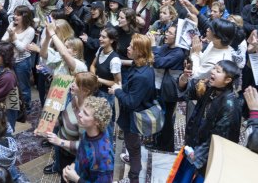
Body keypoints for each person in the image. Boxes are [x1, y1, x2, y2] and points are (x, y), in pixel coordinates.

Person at [178, 60, 242, 175]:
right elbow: (187, 95)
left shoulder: (230, 105)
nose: (212, 72)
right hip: (194, 147)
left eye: (218, 71)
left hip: (205, 157)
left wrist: (199, 155)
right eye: (214, 68)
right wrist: (184, 78)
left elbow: (219, 138)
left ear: (228, 80)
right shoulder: (211, 88)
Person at [110, 33, 155, 183]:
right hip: (131, 116)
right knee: (133, 146)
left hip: (134, 120)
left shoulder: (142, 76)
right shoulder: (142, 64)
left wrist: (117, 90)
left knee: (134, 148)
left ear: (140, 51)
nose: (127, 48)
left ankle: (133, 177)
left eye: (131, 47)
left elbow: (130, 102)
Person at [42, 72, 101, 175]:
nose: (72, 84)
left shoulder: (86, 115)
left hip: (73, 157)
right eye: (73, 81)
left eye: (76, 84)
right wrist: (56, 122)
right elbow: (66, 117)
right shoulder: (75, 98)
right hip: (61, 149)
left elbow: (85, 145)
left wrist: (59, 141)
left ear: (85, 91)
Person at [61, 96, 114, 183]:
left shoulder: (102, 156)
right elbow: (81, 154)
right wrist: (73, 166)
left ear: (97, 122)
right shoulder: (88, 132)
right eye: (82, 110)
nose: (79, 114)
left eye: (85, 113)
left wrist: (76, 179)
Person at [151, 25, 185, 152]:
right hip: (159, 87)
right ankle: (157, 142)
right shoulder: (166, 47)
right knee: (158, 116)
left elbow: (158, 62)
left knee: (166, 119)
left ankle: (166, 147)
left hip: (168, 91)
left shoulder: (178, 53)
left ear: (177, 37)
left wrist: (153, 46)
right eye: (166, 32)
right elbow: (154, 58)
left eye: (170, 33)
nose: (166, 34)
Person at [1, 5, 35, 116]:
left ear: (25, 17)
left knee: (23, 87)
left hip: (22, 62)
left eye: (18, 15)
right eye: (15, 14)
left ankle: (26, 110)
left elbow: (21, 49)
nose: (15, 17)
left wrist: (13, 37)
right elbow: (3, 41)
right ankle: (13, 110)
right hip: (10, 61)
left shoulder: (30, 31)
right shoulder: (12, 25)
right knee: (11, 87)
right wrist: (11, 37)